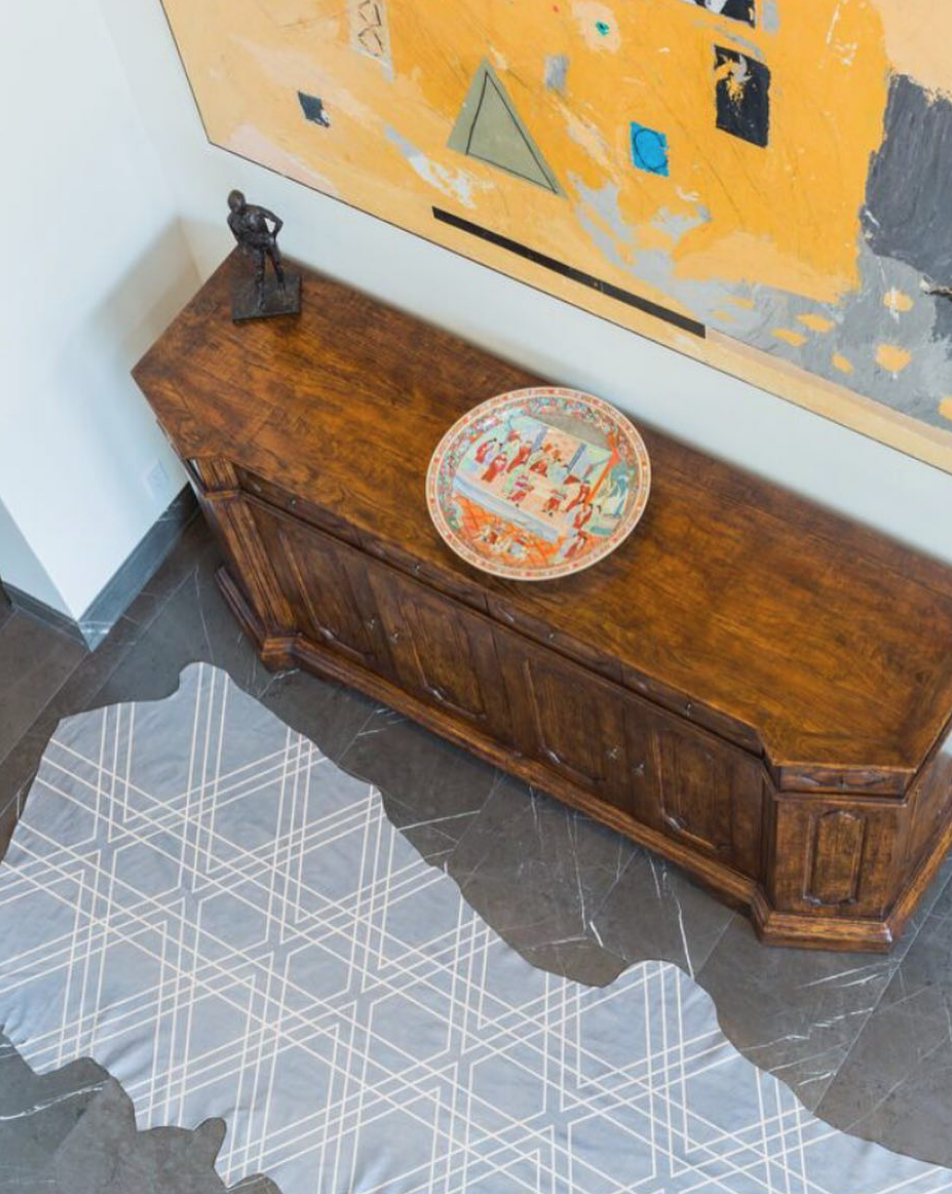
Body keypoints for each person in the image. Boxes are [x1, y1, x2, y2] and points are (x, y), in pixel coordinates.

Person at [227, 190, 287, 309]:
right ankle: (260, 297)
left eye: (240, 207)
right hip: (253, 247)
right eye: (234, 208)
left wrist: (273, 236)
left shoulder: (257, 211)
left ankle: (281, 284)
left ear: (244, 203)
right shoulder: (231, 220)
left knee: (277, 264)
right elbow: (237, 236)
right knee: (259, 273)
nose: (237, 211)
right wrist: (243, 246)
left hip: (267, 241)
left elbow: (279, 222)